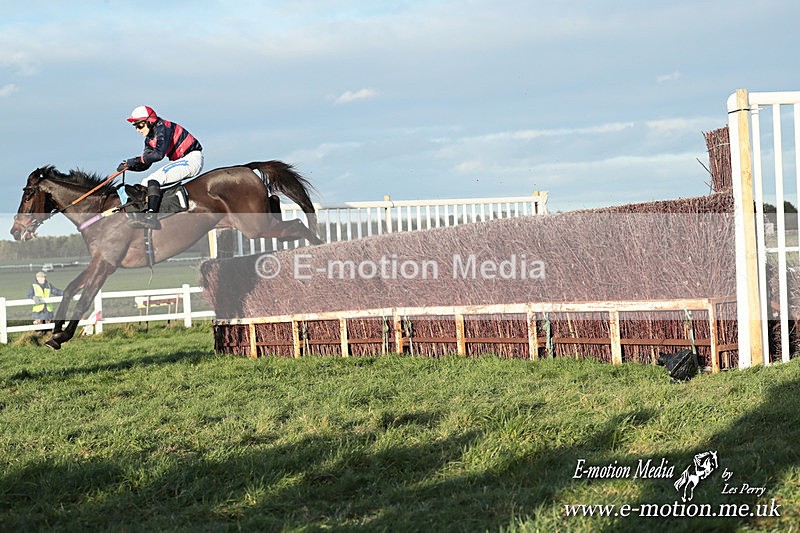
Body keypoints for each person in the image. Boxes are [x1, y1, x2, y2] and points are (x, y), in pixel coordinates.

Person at [117, 105, 203, 229]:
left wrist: (134, 160)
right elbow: (146, 164)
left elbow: (158, 155)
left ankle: (152, 217)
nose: (137, 129)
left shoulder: (162, 128)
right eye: (135, 126)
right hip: (182, 160)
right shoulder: (149, 139)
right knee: (146, 182)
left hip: (191, 158)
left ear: (150, 121)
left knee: (155, 179)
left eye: (139, 125)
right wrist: (130, 166)